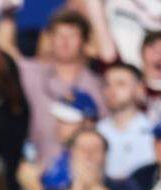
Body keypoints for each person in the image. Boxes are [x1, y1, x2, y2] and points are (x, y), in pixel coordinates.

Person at [16, 9, 105, 167]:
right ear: (49, 39)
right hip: (38, 171)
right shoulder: (32, 74)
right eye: (59, 35)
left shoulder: (98, 85)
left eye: (72, 35)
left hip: (84, 173)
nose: (65, 42)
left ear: (84, 41)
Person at [97, 62, 155, 180]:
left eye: (120, 84)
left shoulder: (154, 131)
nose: (111, 90)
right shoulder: (96, 132)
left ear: (139, 89)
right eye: (107, 84)